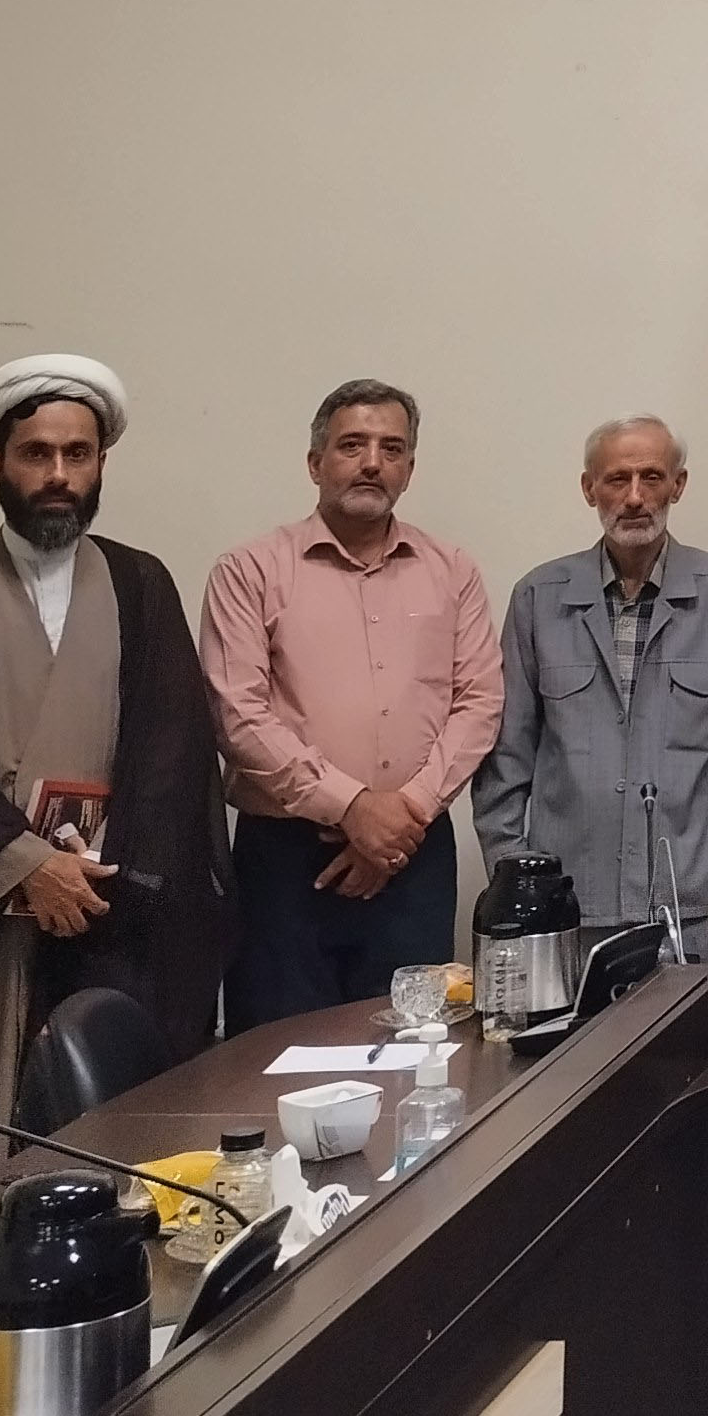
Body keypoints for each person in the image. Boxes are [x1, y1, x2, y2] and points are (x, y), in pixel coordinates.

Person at [0, 356, 227, 1186]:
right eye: (36, 453)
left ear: (101, 464)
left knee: (115, 1141)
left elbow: (172, 755)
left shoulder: (141, 584)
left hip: (110, 906)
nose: (59, 474)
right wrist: (27, 866)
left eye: (77, 454)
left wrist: (98, 877)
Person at [199, 378, 504, 1029]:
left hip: (414, 859)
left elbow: (480, 702)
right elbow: (237, 714)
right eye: (352, 445)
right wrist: (352, 807)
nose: (372, 462)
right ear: (315, 463)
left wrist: (402, 818)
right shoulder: (249, 570)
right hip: (285, 864)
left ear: (409, 469)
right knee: (276, 1054)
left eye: (392, 448)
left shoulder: (453, 570)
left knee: (413, 1050)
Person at [477, 417, 708, 961]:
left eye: (651, 477)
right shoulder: (538, 598)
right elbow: (506, 752)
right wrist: (512, 870)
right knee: (565, 1022)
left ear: (678, 485)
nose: (635, 498)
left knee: (685, 1022)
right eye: (617, 479)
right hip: (564, 903)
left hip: (686, 900)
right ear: (589, 487)